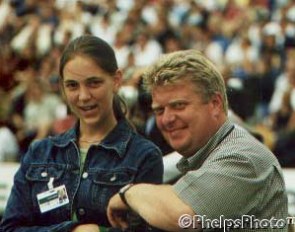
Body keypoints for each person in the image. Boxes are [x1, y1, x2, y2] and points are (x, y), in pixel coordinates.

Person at [107, 49, 289, 231]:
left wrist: (129, 193)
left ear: (215, 104)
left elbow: (183, 217)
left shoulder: (243, 157)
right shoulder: (204, 155)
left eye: (178, 105)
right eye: (159, 110)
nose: (167, 119)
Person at [0, 35, 163, 232]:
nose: (84, 96)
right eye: (72, 85)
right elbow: (10, 228)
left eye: (94, 83)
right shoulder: (39, 153)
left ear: (116, 80)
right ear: (62, 87)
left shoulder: (143, 156)